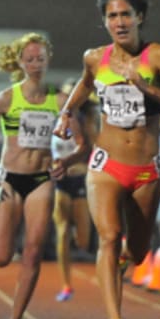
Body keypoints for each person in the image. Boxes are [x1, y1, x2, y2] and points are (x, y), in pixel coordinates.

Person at [54, 0, 160, 319]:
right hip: (106, 163)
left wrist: (149, 89)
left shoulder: (158, 55)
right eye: (112, 16)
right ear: (105, 22)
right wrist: (67, 112)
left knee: (139, 251)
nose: (119, 22)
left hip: (146, 168)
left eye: (125, 15)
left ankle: (119, 268)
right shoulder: (94, 58)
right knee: (110, 237)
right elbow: (85, 86)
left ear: (139, 18)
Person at [0, 33, 82, 319]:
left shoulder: (60, 101)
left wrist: (67, 162)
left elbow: (84, 144)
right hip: (9, 180)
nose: (35, 64)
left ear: (48, 60)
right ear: (20, 62)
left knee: (32, 253)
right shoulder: (6, 98)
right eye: (29, 59)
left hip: (41, 181)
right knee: (0, 257)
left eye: (40, 59)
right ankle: (13, 301)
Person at [52, 80, 96, 301]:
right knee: (61, 231)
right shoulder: (54, 120)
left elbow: (95, 149)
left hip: (80, 179)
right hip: (61, 182)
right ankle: (66, 284)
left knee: (83, 240)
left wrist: (84, 166)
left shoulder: (87, 122)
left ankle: (80, 242)